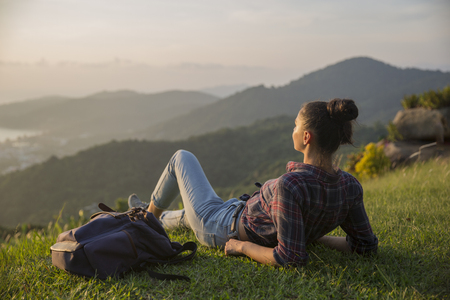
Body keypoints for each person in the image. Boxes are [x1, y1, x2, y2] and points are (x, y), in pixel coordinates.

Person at [128, 98, 378, 267]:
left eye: (295, 126)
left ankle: (146, 220)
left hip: (222, 225)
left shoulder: (290, 186)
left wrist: (243, 247)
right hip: (234, 211)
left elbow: (289, 258)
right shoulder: (350, 186)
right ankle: (147, 214)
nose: (292, 131)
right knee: (187, 215)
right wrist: (310, 235)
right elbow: (364, 246)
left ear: (306, 136)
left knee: (181, 158)